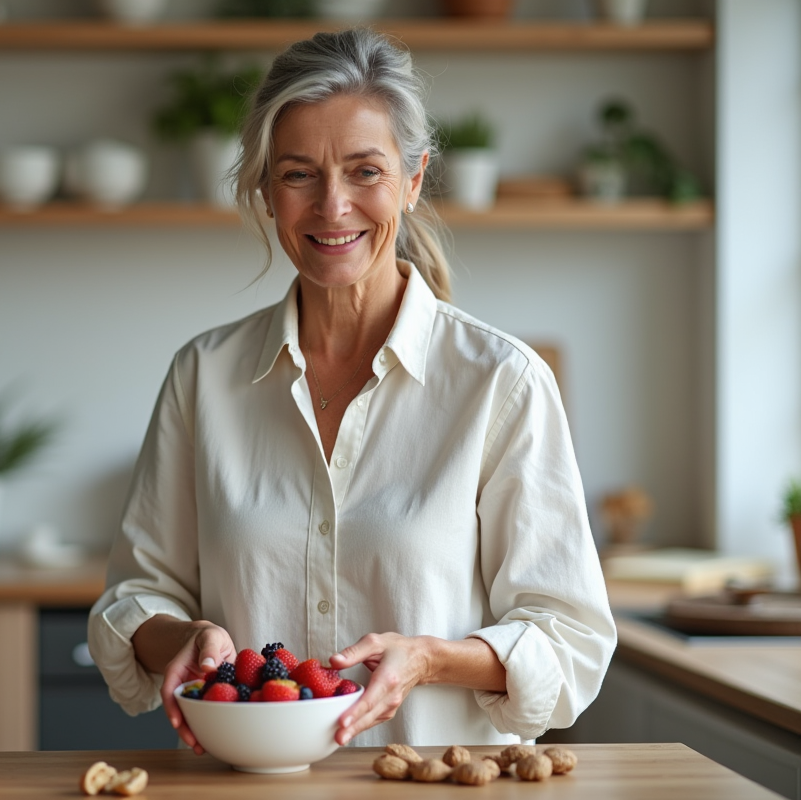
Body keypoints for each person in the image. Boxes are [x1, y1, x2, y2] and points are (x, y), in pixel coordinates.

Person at [88, 27, 616, 749]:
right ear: (266, 190)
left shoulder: (502, 381)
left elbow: (570, 641)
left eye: (365, 171)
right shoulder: (202, 376)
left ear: (414, 178)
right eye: (299, 174)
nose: (332, 206)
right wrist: (180, 637)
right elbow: (134, 597)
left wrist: (430, 659)